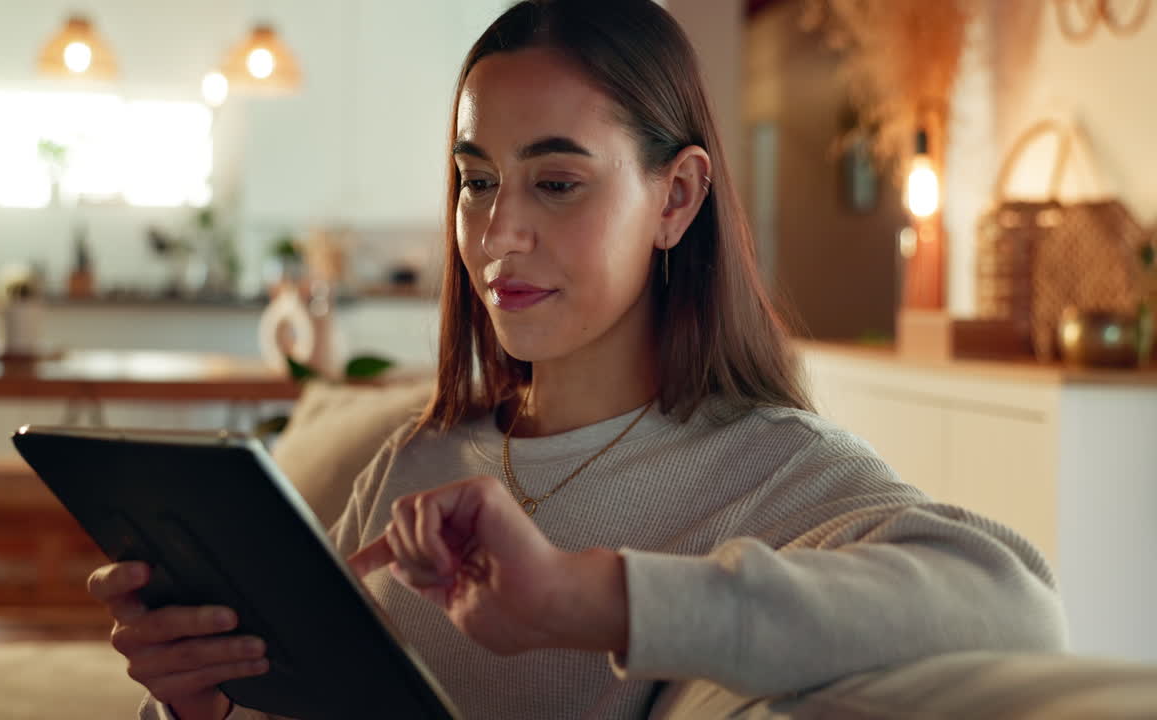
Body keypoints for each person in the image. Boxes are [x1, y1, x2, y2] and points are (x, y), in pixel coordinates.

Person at [89, 1, 1067, 718]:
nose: (496, 234)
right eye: (475, 182)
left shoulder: (769, 469)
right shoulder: (417, 457)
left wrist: (580, 597)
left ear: (675, 199)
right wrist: (196, 706)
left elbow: (1013, 607)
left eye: (555, 182)